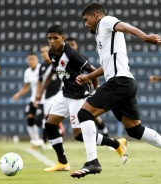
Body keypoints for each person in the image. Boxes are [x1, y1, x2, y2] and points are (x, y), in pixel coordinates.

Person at [71, 2, 161, 178]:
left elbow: (124, 26)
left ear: (96, 15)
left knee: (84, 114)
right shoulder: (102, 36)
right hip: (125, 83)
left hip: (119, 83)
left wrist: (144, 37)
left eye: (86, 19)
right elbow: (106, 66)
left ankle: (92, 162)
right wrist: (88, 77)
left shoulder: (106, 21)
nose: (85, 23)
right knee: (135, 130)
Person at [36, 25, 128, 172]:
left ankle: (116, 144)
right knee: (50, 125)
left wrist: (95, 90)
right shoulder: (52, 52)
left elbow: (92, 71)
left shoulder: (72, 54)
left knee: (79, 135)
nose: (52, 41)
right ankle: (62, 162)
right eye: (49, 38)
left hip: (78, 96)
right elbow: (58, 72)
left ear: (63, 38)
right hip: (65, 94)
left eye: (55, 38)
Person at [65, 37, 109, 137]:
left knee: (93, 116)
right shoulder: (62, 60)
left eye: (73, 44)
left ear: (77, 46)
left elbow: (91, 73)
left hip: (82, 92)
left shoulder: (81, 58)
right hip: (68, 93)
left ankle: (106, 137)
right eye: (69, 45)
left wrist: (95, 87)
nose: (71, 47)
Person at [13, 53, 45, 148]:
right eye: (29, 59)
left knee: (40, 121)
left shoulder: (41, 69)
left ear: (37, 60)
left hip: (42, 99)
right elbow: (26, 87)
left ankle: (45, 141)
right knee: (30, 119)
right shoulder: (27, 72)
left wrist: (38, 98)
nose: (31, 61)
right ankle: (35, 140)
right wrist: (18, 94)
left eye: (33, 59)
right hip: (33, 99)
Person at [37, 45, 65, 147]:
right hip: (47, 96)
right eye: (42, 52)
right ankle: (54, 137)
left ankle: (45, 140)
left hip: (57, 93)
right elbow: (40, 81)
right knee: (47, 120)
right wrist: (38, 93)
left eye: (45, 51)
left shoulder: (56, 63)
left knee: (49, 117)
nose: (44, 54)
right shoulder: (42, 67)